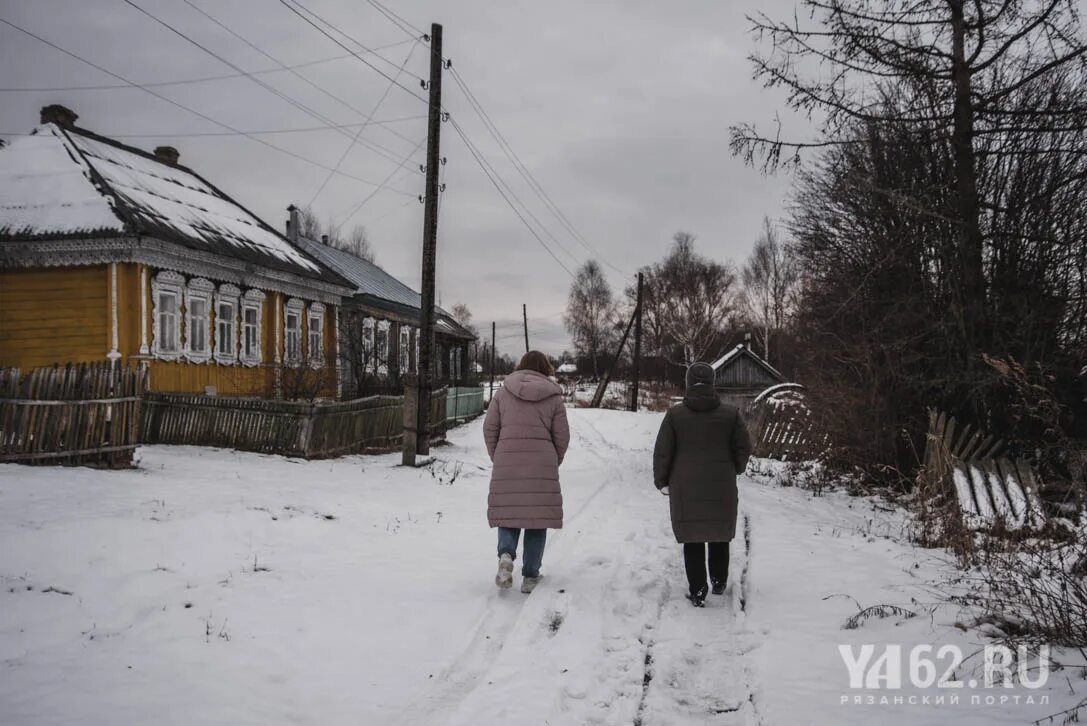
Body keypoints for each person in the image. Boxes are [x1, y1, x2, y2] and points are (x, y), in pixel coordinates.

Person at [653, 362, 752, 607]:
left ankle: (698, 589)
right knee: (719, 532)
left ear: (688, 383)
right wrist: (735, 468)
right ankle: (718, 580)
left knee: (693, 535)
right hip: (722, 482)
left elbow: (663, 452)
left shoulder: (675, 415)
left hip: (685, 485)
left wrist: (662, 480)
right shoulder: (730, 414)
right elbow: (743, 447)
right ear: (712, 383)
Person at [483, 350, 570, 594]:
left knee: (509, 513)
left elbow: (490, 428)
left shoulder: (503, 392)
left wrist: (498, 456)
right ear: (545, 368)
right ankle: (531, 576)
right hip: (542, 462)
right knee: (536, 519)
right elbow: (562, 436)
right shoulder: (553, 397)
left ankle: (506, 555)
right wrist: (554, 459)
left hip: (507, 461)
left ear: (520, 366)